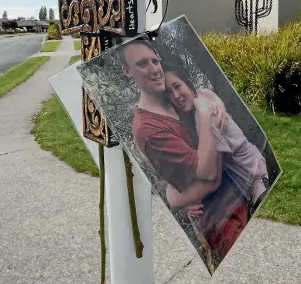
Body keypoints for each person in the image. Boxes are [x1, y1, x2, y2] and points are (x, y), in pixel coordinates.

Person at [116, 38, 249, 264]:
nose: (154, 69)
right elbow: (209, 176)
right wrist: (175, 196)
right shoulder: (149, 129)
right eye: (142, 64)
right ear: (127, 71)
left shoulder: (171, 98)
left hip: (239, 190)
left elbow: (200, 94)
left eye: (155, 61)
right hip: (220, 218)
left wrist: (216, 102)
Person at [162, 63, 270, 217]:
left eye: (177, 86)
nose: (176, 96)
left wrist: (174, 199)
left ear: (187, 82)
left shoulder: (203, 118)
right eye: (168, 93)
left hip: (256, 183)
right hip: (244, 187)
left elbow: (210, 177)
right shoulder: (197, 109)